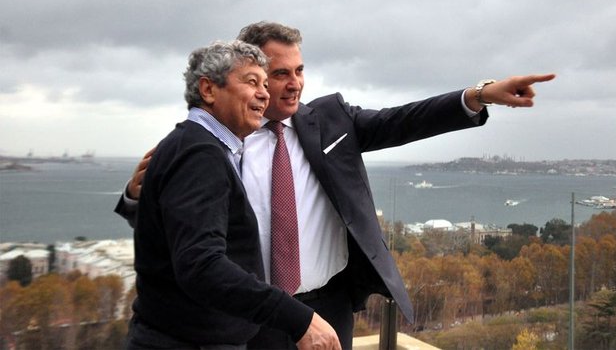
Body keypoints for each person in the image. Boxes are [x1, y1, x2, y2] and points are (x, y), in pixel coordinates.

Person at [116, 22, 555, 349]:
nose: (293, 84)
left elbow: (401, 120)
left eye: (299, 70)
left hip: (327, 306)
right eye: (276, 74)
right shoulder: (219, 142)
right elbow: (187, 236)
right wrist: (137, 195)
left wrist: (478, 95)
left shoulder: (330, 121)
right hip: (251, 313)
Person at [125, 39, 341, 350]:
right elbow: (201, 265)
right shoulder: (200, 154)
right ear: (208, 90)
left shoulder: (200, 146)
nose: (264, 94)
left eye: (265, 84)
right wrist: (298, 319)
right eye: (252, 82)